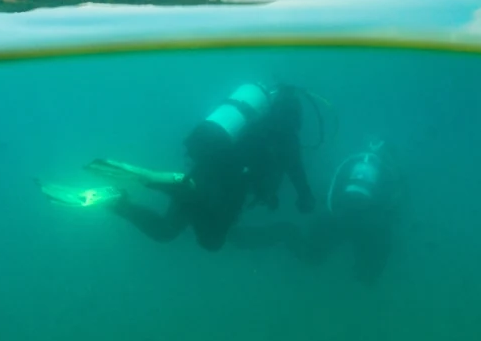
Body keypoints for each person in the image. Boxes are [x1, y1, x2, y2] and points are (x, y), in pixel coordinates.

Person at [42, 82, 316, 252]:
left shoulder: (250, 123)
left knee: (165, 232)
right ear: (294, 114)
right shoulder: (284, 133)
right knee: (211, 242)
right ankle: (174, 185)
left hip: (202, 171)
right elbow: (294, 169)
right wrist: (304, 196)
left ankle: (117, 201)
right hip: (228, 185)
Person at [231, 138, 402, 285]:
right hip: (366, 225)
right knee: (371, 249)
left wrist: (332, 214)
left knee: (312, 255)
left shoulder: (351, 162)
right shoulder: (391, 173)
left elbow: (331, 191)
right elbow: (390, 212)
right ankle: (365, 275)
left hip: (339, 216)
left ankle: (253, 236)